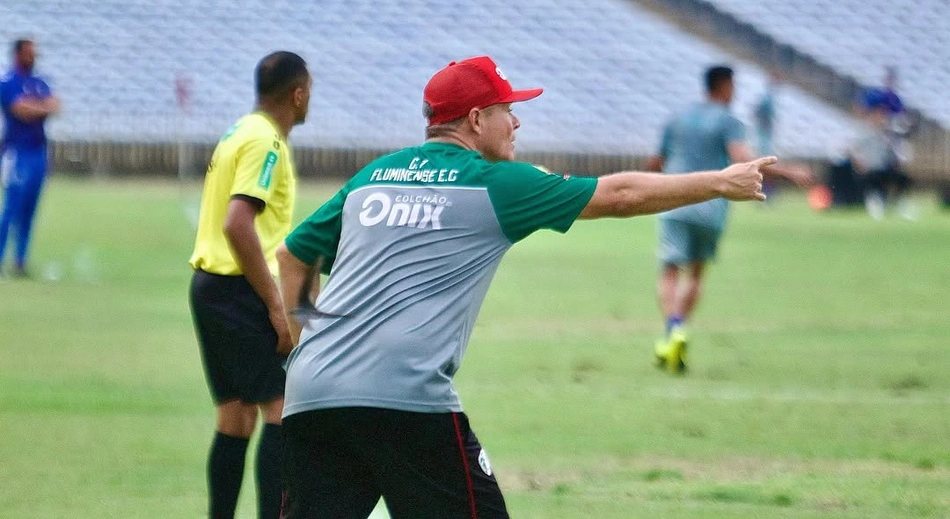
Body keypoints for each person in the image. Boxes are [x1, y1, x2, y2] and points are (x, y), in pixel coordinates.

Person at [275, 55, 775, 519]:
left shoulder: (373, 176)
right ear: (475, 121)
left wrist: (309, 344)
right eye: (507, 109)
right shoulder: (498, 183)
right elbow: (618, 195)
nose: (516, 122)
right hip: (405, 398)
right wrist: (719, 183)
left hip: (312, 392)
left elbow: (292, 254)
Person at [187, 51, 311, 519]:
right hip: (243, 290)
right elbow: (238, 224)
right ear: (298, 94)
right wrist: (276, 307)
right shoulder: (266, 143)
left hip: (210, 288)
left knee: (235, 417)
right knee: (281, 408)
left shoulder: (239, 131)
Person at [645, 65, 814, 374]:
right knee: (695, 273)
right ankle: (680, 328)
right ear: (724, 87)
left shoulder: (677, 119)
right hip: (710, 204)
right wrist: (790, 172)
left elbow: (656, 162)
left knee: (669, 269)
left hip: (673, 200)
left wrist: (649, 191)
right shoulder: (728, 122)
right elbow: (743, 159)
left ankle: (672, 330)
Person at [0, 38, 60, 277]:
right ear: (18, 54)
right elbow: (19, 110)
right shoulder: (8, 81)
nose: (34, 57)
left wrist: (35, 107)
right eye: (30, 53)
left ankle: (20, 261)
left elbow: (55, 105)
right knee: (12, 208)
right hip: (17, 152)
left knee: (30, 210)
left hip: (38, 152)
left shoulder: (39, 82)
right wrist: (39, 108)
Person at [849, 96, 913, 220]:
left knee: (903, 179)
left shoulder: (888, 135)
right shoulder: (864, 133)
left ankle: (900, 204)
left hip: (884, 169)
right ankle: (875, 204)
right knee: (873, 180)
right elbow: (856, 152)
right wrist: (861, 164)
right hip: (870, 170)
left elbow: (896, 154)